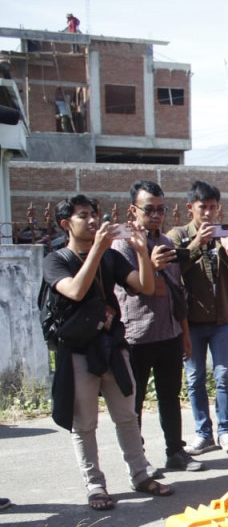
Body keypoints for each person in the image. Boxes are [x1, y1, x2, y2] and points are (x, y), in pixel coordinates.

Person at [43, 194, 173, 510]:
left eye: (94, 214)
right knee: (85, 423)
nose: (92, 220)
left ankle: (140, 475)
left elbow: (143, 286)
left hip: (112, 347)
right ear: (66, 224)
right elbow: (74, 290)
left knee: (127, 415)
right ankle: (95, 486)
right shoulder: (55, 260)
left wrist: (142, 253)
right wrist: (98, 251)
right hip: (77, 351)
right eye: (83, 215)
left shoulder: (110, 257)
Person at [113, 180, 203, 474]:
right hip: (136, 334)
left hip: (169, 333)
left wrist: (185, 332)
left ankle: (175, 452)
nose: (156, 215)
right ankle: (138, 462)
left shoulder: (166, 242)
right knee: (134, 403)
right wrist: (149, 264)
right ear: (133, 210)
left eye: (161, 210)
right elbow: (134, 286)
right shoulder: (122, 244)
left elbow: (178, 291)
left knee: (170, 396)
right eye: (149, 209)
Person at [169, 181, 228, 456]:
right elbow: (173, 271)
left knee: (224, 376)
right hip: (191, 322)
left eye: (214, 207)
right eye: (203, 207)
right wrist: (195, 244)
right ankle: (203, 433)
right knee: (194, 378)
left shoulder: (222, 233)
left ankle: (225, 431)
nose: (209, 213)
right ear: (191, 208)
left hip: (222, 320)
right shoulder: (178, 236)